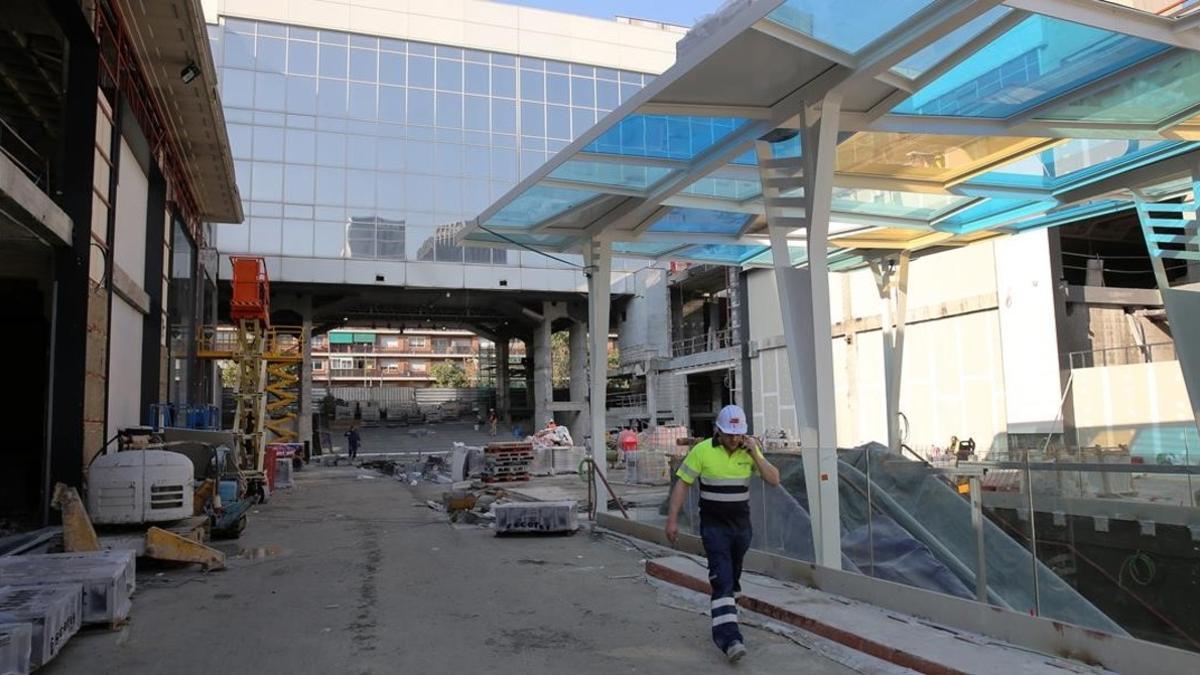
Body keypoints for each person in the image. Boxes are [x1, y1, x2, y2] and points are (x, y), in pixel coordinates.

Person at [665, 404, 780, 663]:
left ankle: (729, 608)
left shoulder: (749, 451)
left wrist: (756, 455)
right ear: (718, 430)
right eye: (729, 434)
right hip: (714, 527)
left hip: (741, 529)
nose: (734, 439)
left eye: (738, 435)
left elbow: (774, 480)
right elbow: (683, 485)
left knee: (733, 577)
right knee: (722, 579)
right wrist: (672, 520)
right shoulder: (702, 451)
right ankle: (729, 639)